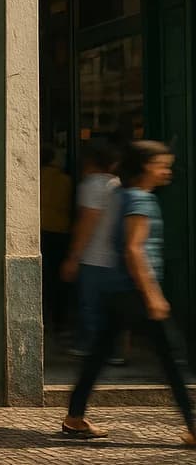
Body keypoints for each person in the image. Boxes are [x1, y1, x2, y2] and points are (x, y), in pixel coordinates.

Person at [63, 141, 196, 446]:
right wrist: (152, 295)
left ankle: (74, 417)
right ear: (145, 166)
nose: (167, 169)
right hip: (135, 292)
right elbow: (134, 250)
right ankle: (193, 427)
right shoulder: (140, 200)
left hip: (115, 290)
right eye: (162, 163)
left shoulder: (120, 194)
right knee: (173, 360)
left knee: (97, 356)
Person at [60, 141, 119, 359]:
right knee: (107, 307)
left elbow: (87, 221)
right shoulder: (118, 184)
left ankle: (96, 349)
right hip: (114, 258)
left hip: (93, 256)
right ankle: (112, 350)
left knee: (90, 306)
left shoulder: (92, 185)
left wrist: (73, 257)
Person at [39, 145, 73, 337]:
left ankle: (45, 316)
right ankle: (59, 320)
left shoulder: (37, 177)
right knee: (58, 280)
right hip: (60, 232)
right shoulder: (65, 180)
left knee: (45, 278)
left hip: (40, 230)